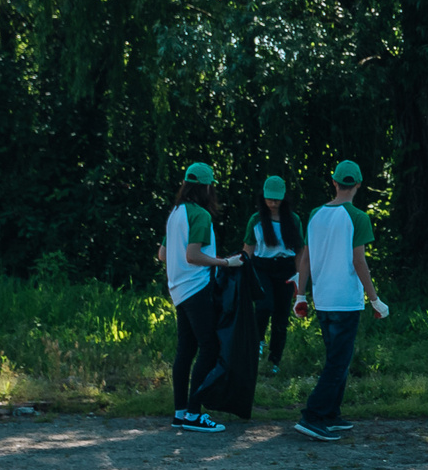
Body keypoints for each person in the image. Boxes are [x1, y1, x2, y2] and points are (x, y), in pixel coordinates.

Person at [294, 159, 391, 443]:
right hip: (346, 301)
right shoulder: (358, 217)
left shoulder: (315, 214)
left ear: (334, 182)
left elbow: (306, 258)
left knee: (337, 359)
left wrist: (301, 293)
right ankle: (313, 415)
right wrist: (374, 298)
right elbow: (358, 260)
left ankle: (330, 414)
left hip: (322, 298)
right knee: (338, 362)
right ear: (358, 184)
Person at [166, 161, 245, 435]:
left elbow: (163, 255)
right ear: (207, 187)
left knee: (186, 351)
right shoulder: (200, 215)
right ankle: (193, 412)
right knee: (210, 348)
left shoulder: (175, 212)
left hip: (178, 290)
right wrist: (226, 262)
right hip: (197, 288)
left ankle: (180, 413)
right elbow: (193, 255)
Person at [244, 176, 305, 376]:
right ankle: (257, 340)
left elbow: (299, 251)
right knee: (263, 305)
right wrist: (243, 272)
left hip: (285, 269)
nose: (273, 203)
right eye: (270, 199)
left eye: (277, 199)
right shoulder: (256, 220)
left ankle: (275, 361)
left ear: (284, 198)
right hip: (262, 267)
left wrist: (299, 276)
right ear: (263, 198)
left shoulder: (293, 219)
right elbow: (248, 250)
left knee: (281, 317)